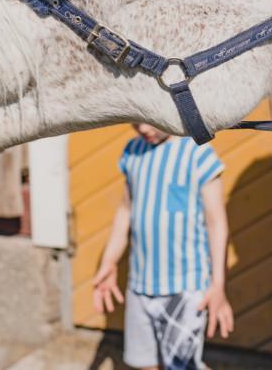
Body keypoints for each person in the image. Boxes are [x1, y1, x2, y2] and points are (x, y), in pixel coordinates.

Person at [92, 122, 234, 370]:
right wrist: (109, 261)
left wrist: (218, 285)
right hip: (140, 286)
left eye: (149, 120)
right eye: (135, 121)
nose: (144, 129)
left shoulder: (197, 153)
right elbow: (126, 210)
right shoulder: (132, 152)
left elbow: (217, 224)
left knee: (182, 366)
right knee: (143, 363)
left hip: (184, 288)